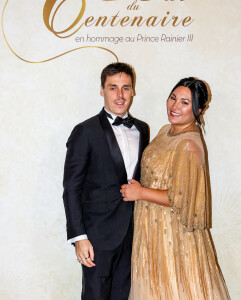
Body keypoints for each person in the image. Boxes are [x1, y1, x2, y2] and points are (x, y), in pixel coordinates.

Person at [121, 77, 230, 299]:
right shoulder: (165, 131)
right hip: (150, 229)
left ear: (199, 109)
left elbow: (183, 199)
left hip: (172, 235)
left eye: (185, 102)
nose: (174, 106)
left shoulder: (188, 144)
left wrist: (140, 193)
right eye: (173, 98)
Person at [63, 62, 150, 300]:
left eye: (125, 87)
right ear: (102, 90)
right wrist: (79, 238)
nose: (120, 95)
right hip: (97, 235)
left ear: (133, 90)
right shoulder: (85, 131)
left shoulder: (143, 129)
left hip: (134, 232)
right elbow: (72, 188)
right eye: (113, 88)